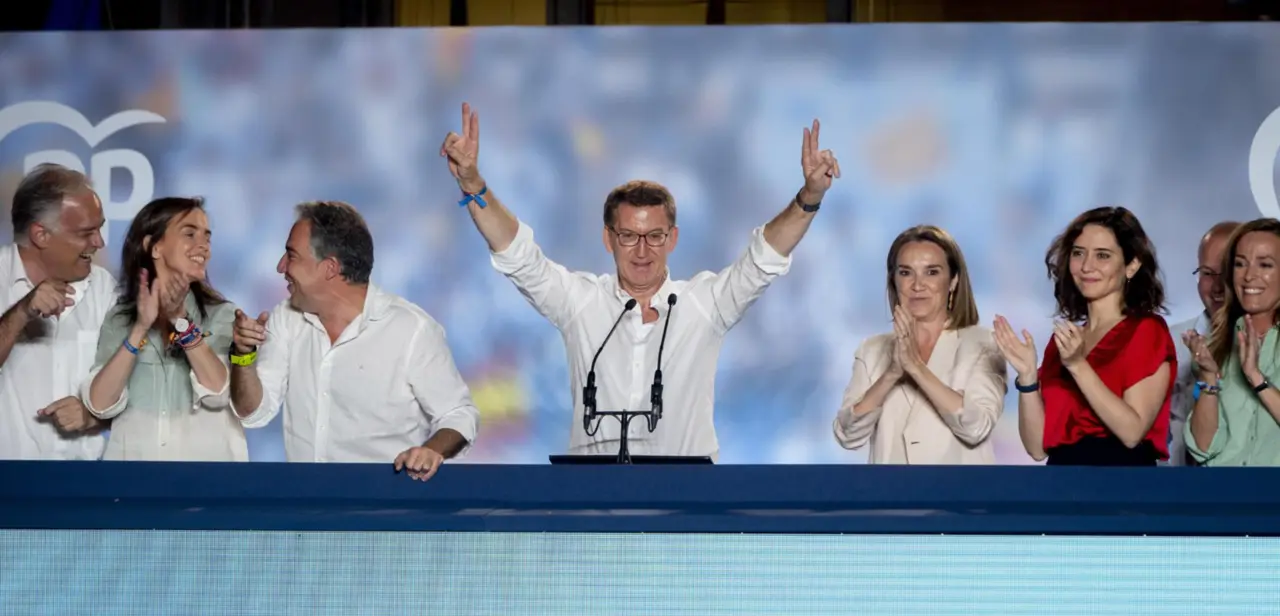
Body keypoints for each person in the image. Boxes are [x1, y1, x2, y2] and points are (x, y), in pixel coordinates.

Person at [442, 103, 839, 460]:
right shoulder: (581, 301)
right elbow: (518, 256)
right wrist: (474, 184)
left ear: (673, 239)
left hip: (682, 506)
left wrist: (809, 197)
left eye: (655, 236)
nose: (642, 250)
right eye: (629, 236)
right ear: (608, 239)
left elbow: (764, 257)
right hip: (593, 504)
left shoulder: (704, 303)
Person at [229, 201, 479, 481]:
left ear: (330, 268)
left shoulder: (412, 330)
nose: (280, 266)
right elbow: (253, 413)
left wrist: (431, 451)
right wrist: (242, 355)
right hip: (306, 511)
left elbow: (459, 414)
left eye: (291, 255)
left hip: (384, 513)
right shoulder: (285, 318)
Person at [994, 206, 1175, 466]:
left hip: (1122, 485)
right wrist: (1028, 377)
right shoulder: (1064, 342)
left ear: (1131, 265)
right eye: (1079, 253)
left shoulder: (1146, 331)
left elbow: (1132, 432)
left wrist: (1078, 365)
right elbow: (1036, 448)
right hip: (1061, 486)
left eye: (1102, 256)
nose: (1087, 266)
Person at [81, 197, 243, 460]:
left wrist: (181, 320)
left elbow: (218, 394)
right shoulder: (119, 318)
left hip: (205, 484)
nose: (203, 246)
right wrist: (140, 329)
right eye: (189, 234)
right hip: (134, 485)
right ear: (153, 246)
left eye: (207, 237)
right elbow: (100, 404)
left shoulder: (223, 315)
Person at [833, 225, 1005, 464]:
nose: (917, 285)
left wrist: (916, 368)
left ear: (953, 280)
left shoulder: (982, 344)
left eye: (931, 272)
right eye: (906, 273)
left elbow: (976, 428)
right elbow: (847, 434)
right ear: (894, 280)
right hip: (892, 497)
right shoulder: (871, 350)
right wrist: (892, 374)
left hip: (958, 498)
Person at [0, 164, 114, 459]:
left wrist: (94, 416)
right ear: (41, 235)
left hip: (86, 488)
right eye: (86, 232)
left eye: (99, 228)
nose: (99, 242)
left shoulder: (103, 287)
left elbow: (137, 385)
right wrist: (21, 312)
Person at [1183, 218, 1280, 466]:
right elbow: (1204, 448)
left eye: (1265, 264)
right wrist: (1208, 380)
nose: (1249, 276)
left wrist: (1256, 378)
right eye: (1239, 264)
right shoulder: (1218, 342)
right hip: (1223, 495)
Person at [1168, 221, 1238, 465]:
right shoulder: (1168, 342)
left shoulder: (1271, 346)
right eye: (1208, 273)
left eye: (1227, 273)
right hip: (1173, 492)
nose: (1217, 287)